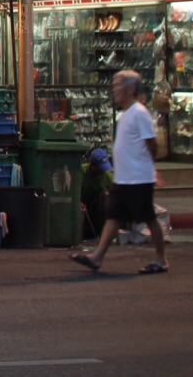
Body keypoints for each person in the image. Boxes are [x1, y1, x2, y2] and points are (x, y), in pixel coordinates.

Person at [71, 70, 169, 274]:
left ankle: (161, 260)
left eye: (118, 85)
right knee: (114, 216)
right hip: (124, 177)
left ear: (131, 89)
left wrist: (151, 169)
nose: (114, 89)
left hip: (138, 178)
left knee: (149, 218)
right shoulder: (125, 114)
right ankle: (97, 257)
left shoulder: (140, 113)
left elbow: (152, 143)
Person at [81, 147, 115, 239]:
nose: (102, 171)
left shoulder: (107, 175)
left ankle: (101, 233)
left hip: (97, 206)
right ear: (92, 165)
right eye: (99, 168)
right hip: (82, 205)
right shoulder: (81, 172)